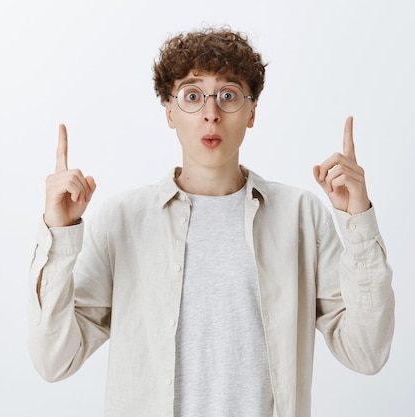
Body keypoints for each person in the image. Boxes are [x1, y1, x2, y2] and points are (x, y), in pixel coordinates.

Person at [27, 27, 394, 417]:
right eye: (191, 95)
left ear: (252, 111)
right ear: (169, 111)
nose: (210, 112)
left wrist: (358, 221)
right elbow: (54, 361)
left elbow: (367, 353)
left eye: (228, 95)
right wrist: (59, 234)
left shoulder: (301, 217)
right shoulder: (122, 221)